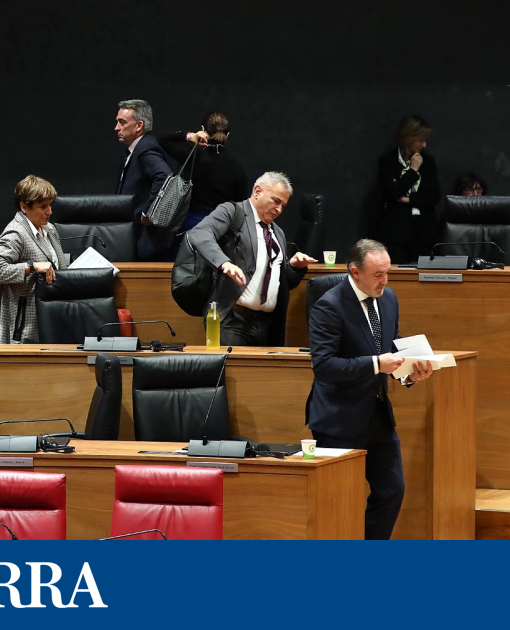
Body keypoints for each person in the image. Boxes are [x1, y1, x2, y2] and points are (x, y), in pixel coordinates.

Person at [305, 239, 432, 540]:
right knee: (339, 500)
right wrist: (376, 363)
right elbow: (324, 366)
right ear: (354, 272)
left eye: (387, 273)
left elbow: (391, 348)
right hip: (338, 419)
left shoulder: (389, 300)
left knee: (392, 490)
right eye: (378, 274)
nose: (384, 281)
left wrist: (411, 374)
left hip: (377, 414)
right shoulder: (329, 306)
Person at [189, 172, 318, 346]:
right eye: (276, 201)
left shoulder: (277, 233)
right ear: (257, 191)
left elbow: (281, 283)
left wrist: (295, 267)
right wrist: (224, 262)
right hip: (232, 320)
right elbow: (199, 233)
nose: (279, 209)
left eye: (284, 206)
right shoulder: (232, 212)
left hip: (266, 325)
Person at [0, 174, 69, 344]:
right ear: (24, 206)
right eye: (43, 206)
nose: (49, 211)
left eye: (51, 205)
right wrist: (31, 266)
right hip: (24, 327)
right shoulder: (16, 233)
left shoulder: (50, 230)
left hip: (51, 317)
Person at [159, 110, 251, 231]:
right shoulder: (237, 168)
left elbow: (162, 139)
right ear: (227, 135)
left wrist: (190, 136)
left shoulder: (193, 156)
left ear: (202, 129)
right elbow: (241, 206)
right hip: (219, 228)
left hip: (190, 225)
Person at [113, 99, 177, 260]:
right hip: (138, 238)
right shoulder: (136, 149)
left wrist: (150, 212)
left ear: (139, 126)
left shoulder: (146, 148)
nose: (117, 128)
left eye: (122, 122)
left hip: (147, 241)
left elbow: (164, 176)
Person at [378, 115, 441, 263]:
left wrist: (408, 199)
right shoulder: (388, 161)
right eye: (420, 140)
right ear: (408, 138)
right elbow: (391, 193)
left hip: (425, 232)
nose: (424, 145)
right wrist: (412, 171)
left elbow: (434, 197)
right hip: (398, 232)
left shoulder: (429, 161)